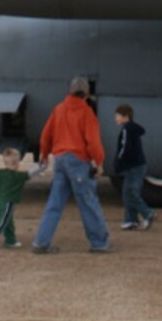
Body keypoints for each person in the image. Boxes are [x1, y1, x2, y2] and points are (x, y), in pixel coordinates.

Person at [32, 77, 112, 253]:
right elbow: (93, 141)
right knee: (88, 201)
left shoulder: (58, 109)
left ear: (69, 91)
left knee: (55, 202)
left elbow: (46, 134)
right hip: (77, 161)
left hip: (60, 160)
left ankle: (41, 241)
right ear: (87, 94)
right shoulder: (86, 112)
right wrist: (98, 161)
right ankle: (99, 242)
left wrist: (44, 155)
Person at [112, 103, 154, 231]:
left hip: (133, 166)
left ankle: (147, 213)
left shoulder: (126, 130)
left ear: (125, 117)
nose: (116, 119)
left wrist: (118, 162)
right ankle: (131, 219)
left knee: (131, 193)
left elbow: (124, 149)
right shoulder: (133, 129)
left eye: (117, 116)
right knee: (127, 192)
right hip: (137, 165)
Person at [0, 147, 31, 248]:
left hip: (0, 201)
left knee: (8, 222)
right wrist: (42, 166)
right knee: (3, 222)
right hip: (8, 202)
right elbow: (31, 173)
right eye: (17, 162)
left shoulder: (1, 173)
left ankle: (10, 240)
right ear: (15, 163)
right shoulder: (17, 176)